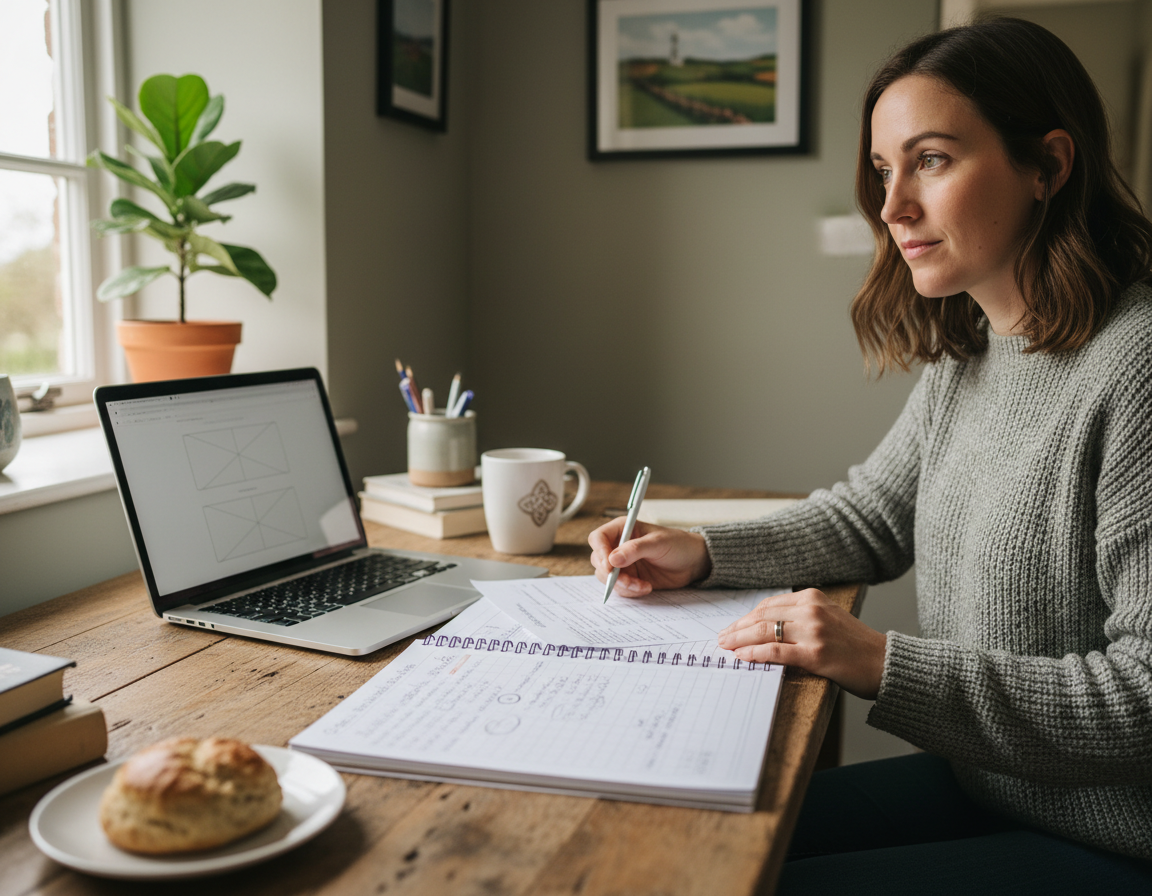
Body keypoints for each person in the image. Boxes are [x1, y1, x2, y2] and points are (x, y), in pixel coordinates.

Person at [589, 17, 1152, 893]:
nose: (891, 209)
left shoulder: (1138, 367)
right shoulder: (980, 347)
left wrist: (881, 661)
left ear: (1048, 164)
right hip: (997, 788)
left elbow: (1145, 700)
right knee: (678, 848)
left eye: (930, 160)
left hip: (1118, 835)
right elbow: (872, 517)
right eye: (886, 171)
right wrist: (701, 552)